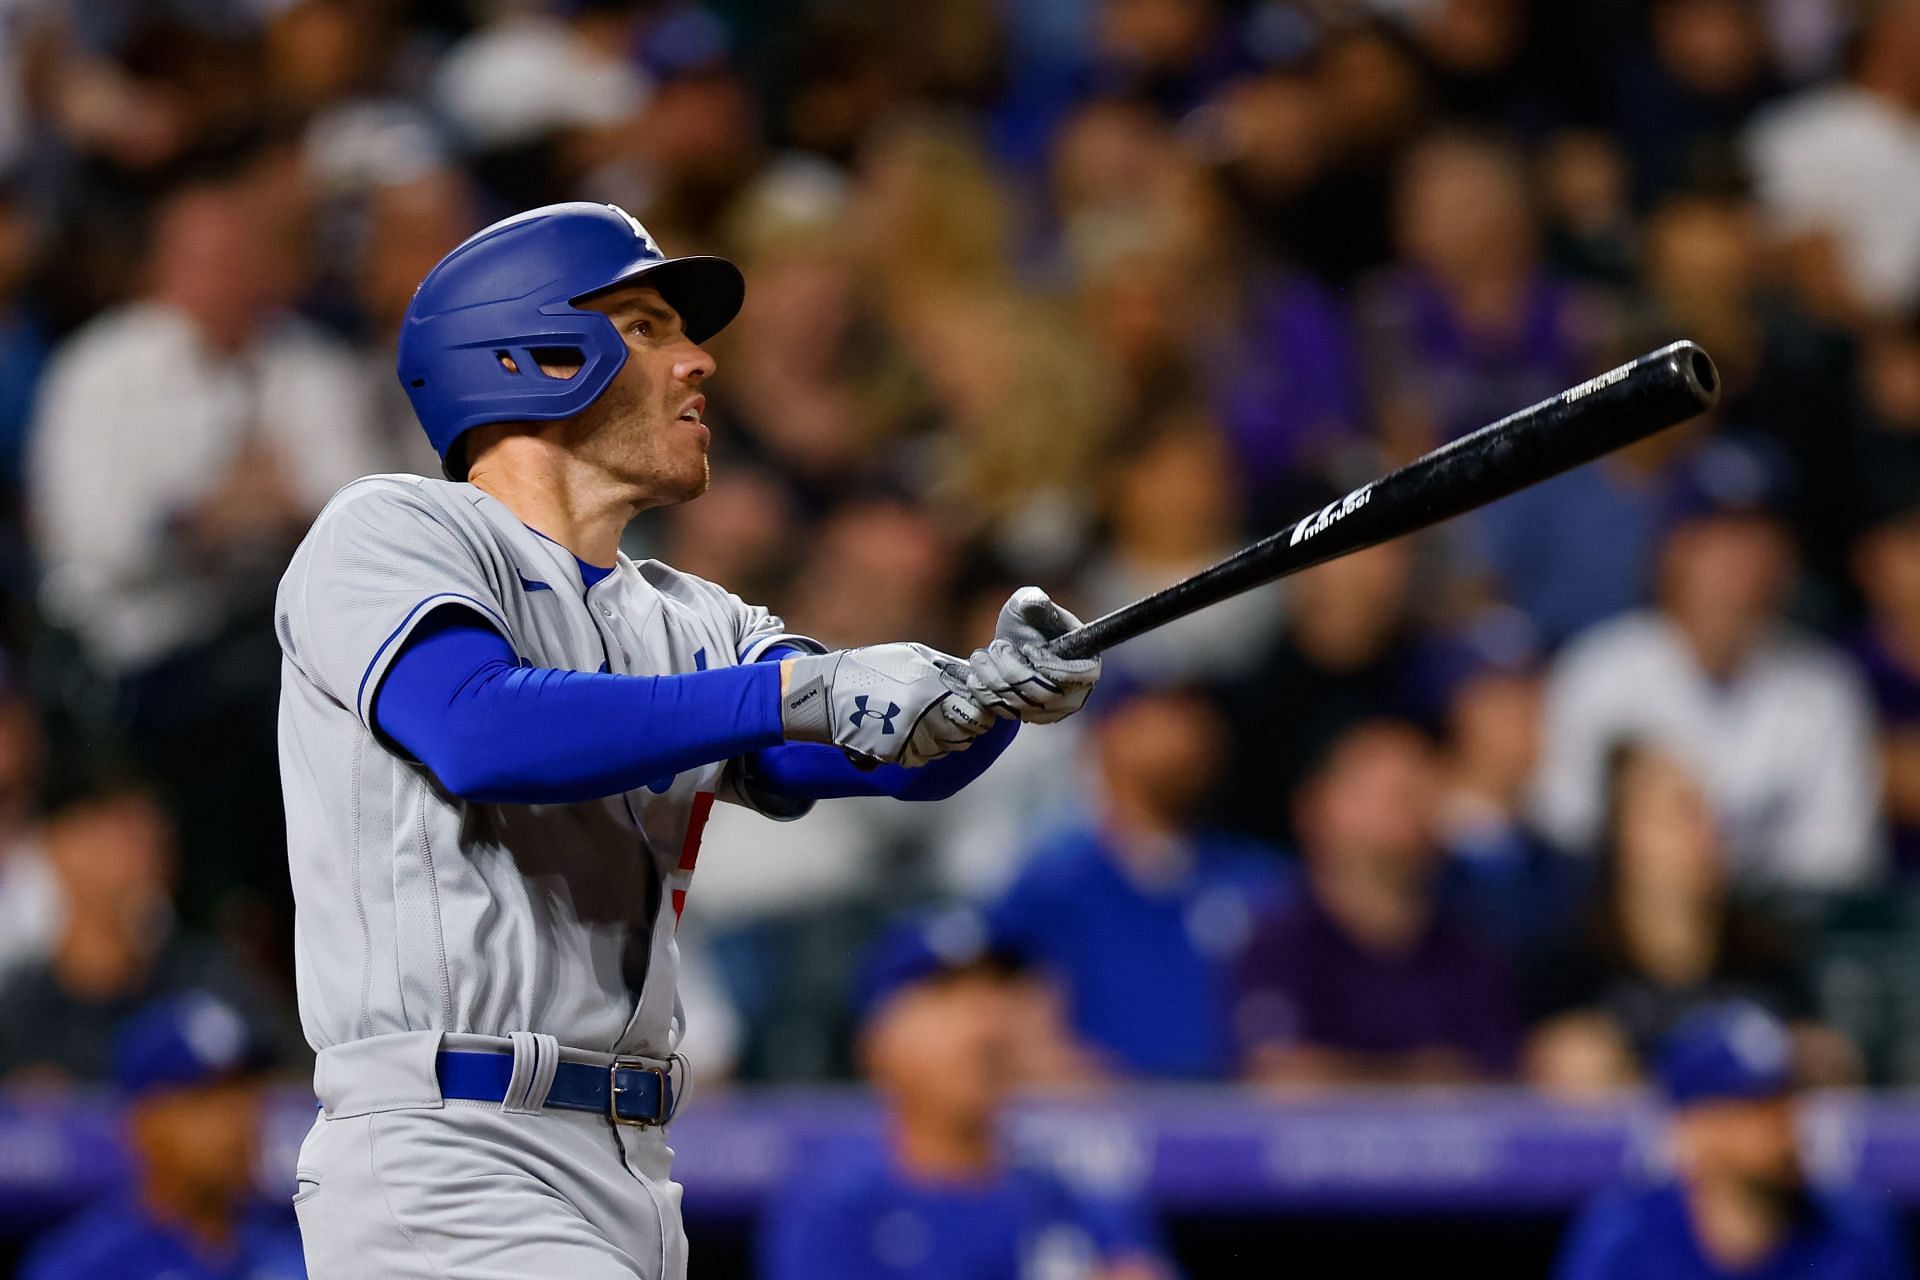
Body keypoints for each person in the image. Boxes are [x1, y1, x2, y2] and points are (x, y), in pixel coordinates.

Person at [274, 202, 1104, 1279]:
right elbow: (477, 726)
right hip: (450, 1145)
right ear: (530, 351)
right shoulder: (394, 529)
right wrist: (804, 690)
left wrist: (983, 701)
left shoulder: (686, 615)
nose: (700, 360)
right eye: (650, 326)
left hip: (629, 1161)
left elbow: (846, 746)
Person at [1533, 437, 1883, 890]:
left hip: (1776, 944)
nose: (1741, 560)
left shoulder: (1825, 686)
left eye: (1759, 535)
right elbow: (1568, 833)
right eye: (1716, 537)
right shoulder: (1598, 671)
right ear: (1672, 550)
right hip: (1629, 934)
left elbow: (1840, 864)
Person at [759, 910, 1175, 1280]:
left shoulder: (1080, 1198)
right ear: (877, 1041)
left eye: (996, 992)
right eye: (947, 995)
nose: (984, 1025)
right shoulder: (836, 1206)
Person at [989, 678, 1286, 1079]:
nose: (1189, 736)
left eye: (1197, 717)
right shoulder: (1052, 880)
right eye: (1163, 717)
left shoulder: (1259, 881)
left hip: (1242, 1120)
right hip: (1099, 1118)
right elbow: (1005, 1006)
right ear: (1108, 736)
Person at [1523, 741, 1851, 1095]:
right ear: (1625, 834)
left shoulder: (1767, 956)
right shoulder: (1569, 965)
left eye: (1714, 817)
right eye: (1682, 814)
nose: (1705, 836)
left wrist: (1816, 1061)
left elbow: (1827, 1071)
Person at [1235, 719, 1519, 1087]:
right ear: (1316, 808)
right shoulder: (1274, 944)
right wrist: (1423, 1078)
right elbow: (1282, 1080)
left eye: (1418, 790)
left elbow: (1492, 1086)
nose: (1404, 809)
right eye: (1383, 792)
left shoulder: (1475, 952)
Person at [1554, 1002, 1910, 1280]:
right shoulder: (1624, 1237)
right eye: (1754, 1104)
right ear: (1693, 1126)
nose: (1783, 1121)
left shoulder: (1854, 1232)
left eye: (1787, 1096)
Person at [0, 780, 289, 1085]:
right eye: (124, 837)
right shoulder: (21, 1006)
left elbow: (285, 1077)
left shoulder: (205, 976)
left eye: (157, 839)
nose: (147, 857)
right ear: (62, 847)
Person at [17, 990, 305, 1280]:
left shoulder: (302, 1237)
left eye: (242, 1091)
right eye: (202, 1097)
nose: (233, 1119)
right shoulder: (82, 1266)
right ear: (143, 1122)